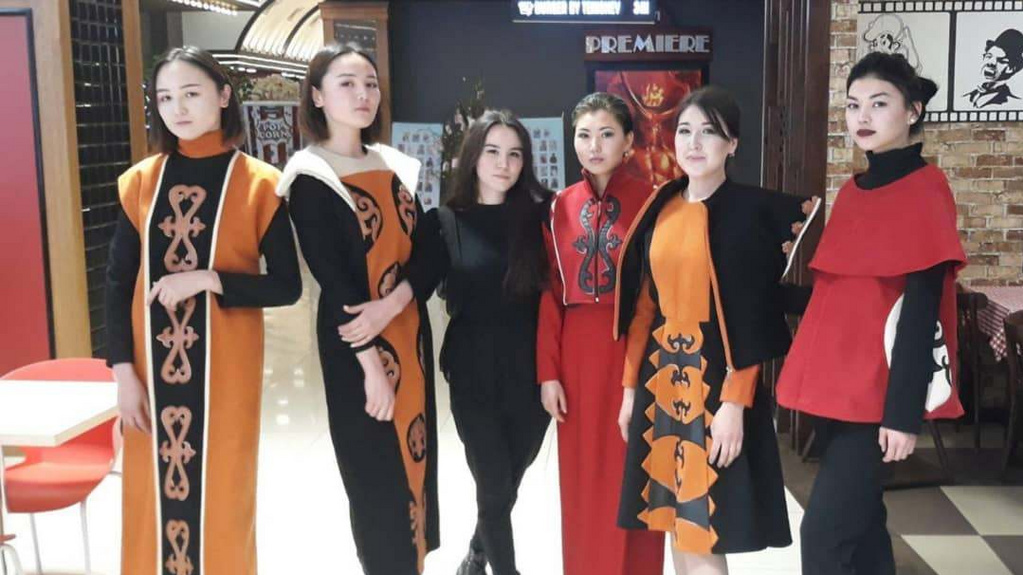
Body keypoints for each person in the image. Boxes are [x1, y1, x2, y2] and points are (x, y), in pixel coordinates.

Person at [106, 45, 301, 575]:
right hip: (149, 372)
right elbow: (118, 284)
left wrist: (209, 279)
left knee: (224, 497)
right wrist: (122, 372)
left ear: (223, 95)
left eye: (191, 94)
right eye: (165, 98)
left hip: (226, 375)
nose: (178, 108)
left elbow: (286, 286)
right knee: (149, 502)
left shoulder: (261, 184)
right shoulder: (140, 183)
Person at [776, 52, 967, 575]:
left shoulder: (927, 188)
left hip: (878, 398)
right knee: (862, 530)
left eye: (879, 104)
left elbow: (921, 312)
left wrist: (903, 416)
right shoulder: (852, 191)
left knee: (823, 534)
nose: (862, 116)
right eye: (853, 104)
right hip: (836, 389)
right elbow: (838, 297)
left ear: (913, 111)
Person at [615, 85, 810, 574]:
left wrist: (734, 405)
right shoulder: (662, 206)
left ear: (733, 143)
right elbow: (644, 308)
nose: (694, 143)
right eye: (685, 131)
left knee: (703, 523)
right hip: (662, 377)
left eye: (709, 131)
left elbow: (754, 314)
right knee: (675, 520)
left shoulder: (750, 212)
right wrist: (630, 389)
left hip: (717, 379)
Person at [276, 44, 440, 574]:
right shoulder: (309, 176)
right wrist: (371, 367)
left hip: (408, 334)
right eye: (346, 83)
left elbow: (430, 253)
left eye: (370, 83)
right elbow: (336, 279)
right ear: (317, 96)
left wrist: (395, 301)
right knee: (375, 483)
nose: (363, 94)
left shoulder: (395, 165)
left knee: (416, 465)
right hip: (357, 349)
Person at [537, 92, 664, 575]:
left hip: (638, 347)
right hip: (576, 355)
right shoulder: (558, 207)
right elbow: (550, 292)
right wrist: (548, 372)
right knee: (582, 475)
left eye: (607, 134)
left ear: (629, 141)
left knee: (636, 470)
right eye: (584, 135)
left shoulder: (655, 202)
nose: (594, 146)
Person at [433, 110, 552, 575]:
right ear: (473, 157)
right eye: (493, 151)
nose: (504, 164)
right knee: (493, 483)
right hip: (472, 373)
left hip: (530, 374)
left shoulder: (542, 217)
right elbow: (414, 281)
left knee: (508, 480)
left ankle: (477, 552)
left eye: (515, 154)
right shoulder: (446, 221)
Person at [964, 28, 1023, 108]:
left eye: (1001, 61)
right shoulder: (967, 97)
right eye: (989, 56)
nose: (991, 63)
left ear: (1011, 69)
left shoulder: (1011, 104)